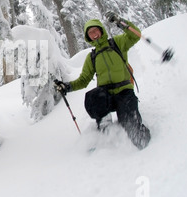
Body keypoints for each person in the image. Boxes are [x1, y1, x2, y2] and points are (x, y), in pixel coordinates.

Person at [54, 12, 151, 150]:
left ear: (101, 30)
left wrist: (120, 22)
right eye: (90, 33)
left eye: (95, 30)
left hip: (124, 92)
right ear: (88, 37)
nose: (94, 34)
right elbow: (83, 80)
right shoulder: (92, 57)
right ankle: (105, 127)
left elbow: (135, 35)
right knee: (93, 96)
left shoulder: (117, 43)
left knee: (132, 129)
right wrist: (67, 87)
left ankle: (144, 143)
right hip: (106, 97)